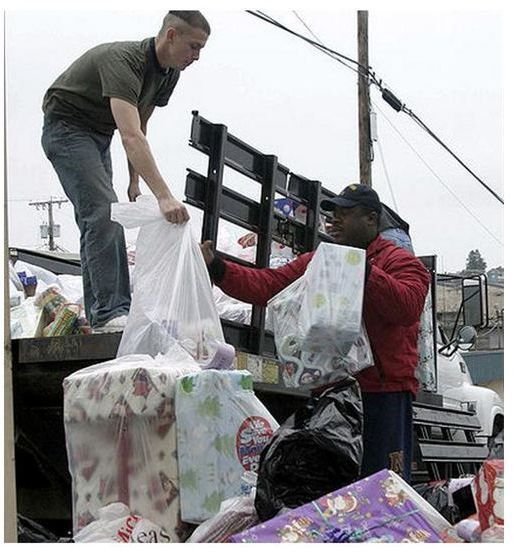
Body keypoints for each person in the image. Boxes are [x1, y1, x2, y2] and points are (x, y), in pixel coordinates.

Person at [201, 183, 430, 482]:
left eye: (345, 213)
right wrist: (218, 268)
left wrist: (363, 270)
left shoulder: (400, 262)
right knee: (336, 486)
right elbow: (269, 285)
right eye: (331, 214)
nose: (333, 220)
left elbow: (407, 306)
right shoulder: (320, 261)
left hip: (383, 395)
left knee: (384, 483)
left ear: (371, 219)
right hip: (333, 394)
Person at [41, 11, 210, 332]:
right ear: (171, 35)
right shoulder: (125, 61)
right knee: (103, 214)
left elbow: (140, 126)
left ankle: (102, 312)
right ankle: (109, 313)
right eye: (193, 46)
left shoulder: (168, 73)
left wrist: (134, 180)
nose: (196, 57)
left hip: (98, 134)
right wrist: (164, 196)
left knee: (99, 216)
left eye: (201, 49)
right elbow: (130, 135)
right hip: (66, 127)